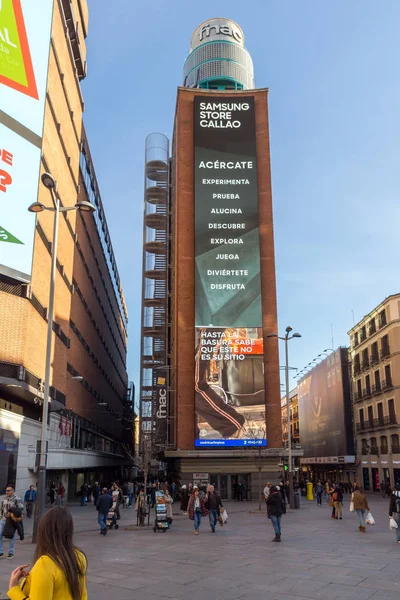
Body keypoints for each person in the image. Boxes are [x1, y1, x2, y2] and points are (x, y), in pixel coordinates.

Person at [7, 506, 87, 599]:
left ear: (43, 531)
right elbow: (83, 595)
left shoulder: (45, 564)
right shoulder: (79, 555)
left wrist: (13, 589)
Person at [0, 485, 24, 559]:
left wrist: (13, 512)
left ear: (13, 491)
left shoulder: (17, 499)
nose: (7, 492)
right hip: (3, 519)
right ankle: (1, 551)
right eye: (6, 490)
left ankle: (11, 552)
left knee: (12, 536)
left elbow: (21, 509)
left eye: (8, 490)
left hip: (12, 521)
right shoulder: (3, 499)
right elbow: (1, 509)